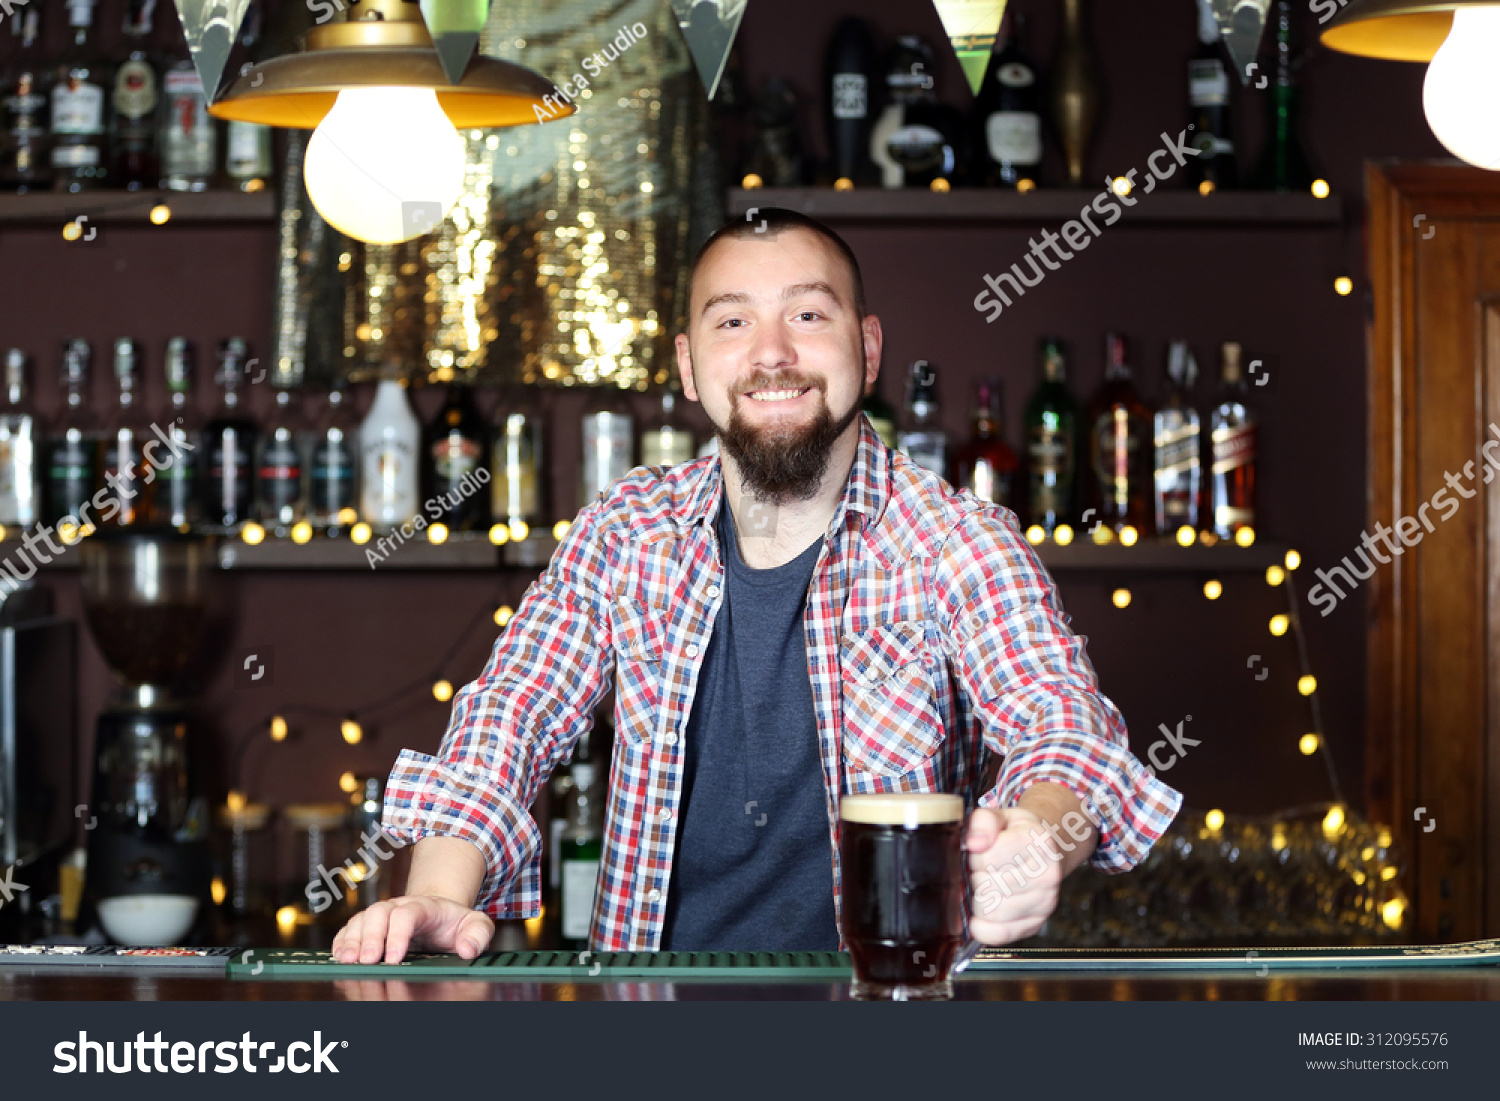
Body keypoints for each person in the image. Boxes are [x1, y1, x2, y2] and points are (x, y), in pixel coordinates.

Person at [331, 208, 1181, 964]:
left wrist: (1034, 836)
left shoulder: (955, 542)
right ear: (690, 366)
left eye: (808, 314)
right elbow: (512, 713)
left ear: (869, 348)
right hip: (649, 1033)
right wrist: (442, 893)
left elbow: (1064, 724)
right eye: (733, 321)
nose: (772, 354)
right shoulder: (627, 531)